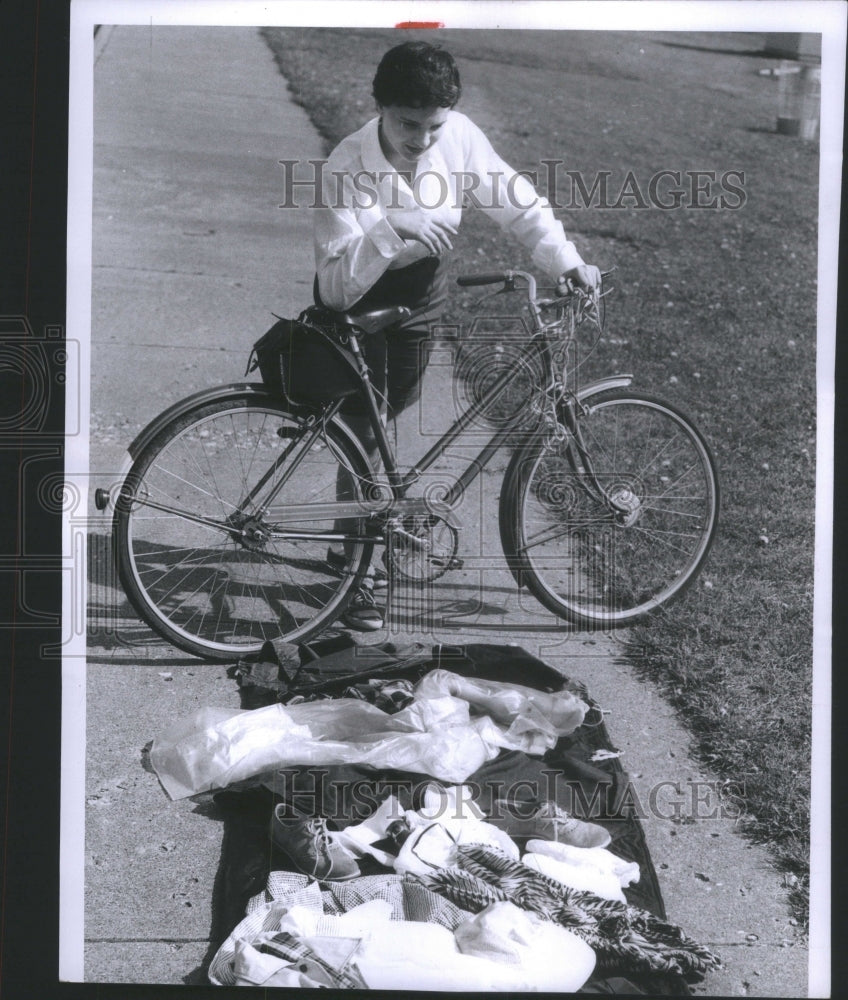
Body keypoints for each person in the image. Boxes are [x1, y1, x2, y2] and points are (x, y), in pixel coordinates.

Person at [312, 41, 600, 630]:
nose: (420, 139)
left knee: (394, 417)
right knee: (367, 429)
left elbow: (516, 201)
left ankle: (356, 539)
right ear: (380, 108)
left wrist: (566, 261)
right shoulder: (346, 164)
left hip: (422, 297)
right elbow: (336, 284)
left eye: (433, 127)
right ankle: (357, 573)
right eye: (407, 124)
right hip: (359, 298)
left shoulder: (461, 137)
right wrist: (393, 227)